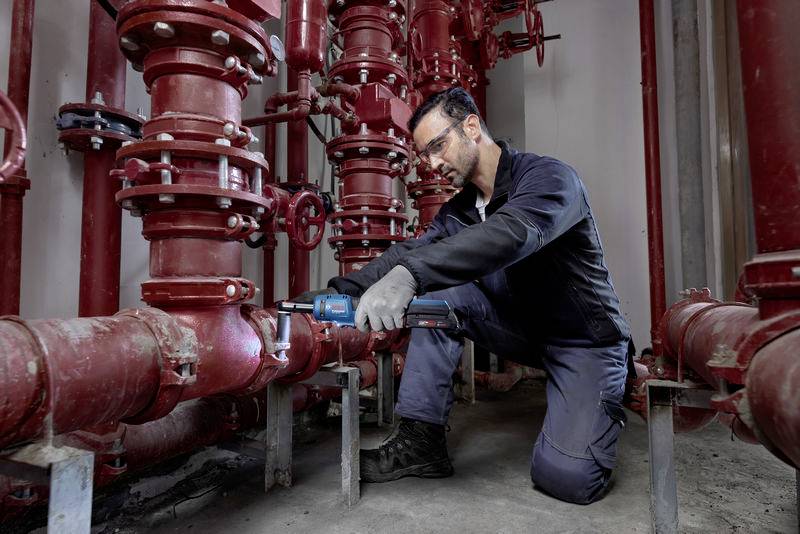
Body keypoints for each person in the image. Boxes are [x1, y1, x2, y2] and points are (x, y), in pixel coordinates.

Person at [297, 87, 630, 504]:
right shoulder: (460, 210)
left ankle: (605, 392)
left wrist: (410, 275)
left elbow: (510, 235)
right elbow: (413, 251)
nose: (433, 163)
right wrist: (339, 291)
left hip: (584, 341)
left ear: (471, 126)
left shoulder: (549, 179)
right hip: (524, 333)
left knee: (567, 479)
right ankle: (422, 441)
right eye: (425, 155)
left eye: (438, 145)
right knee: (442, 295)